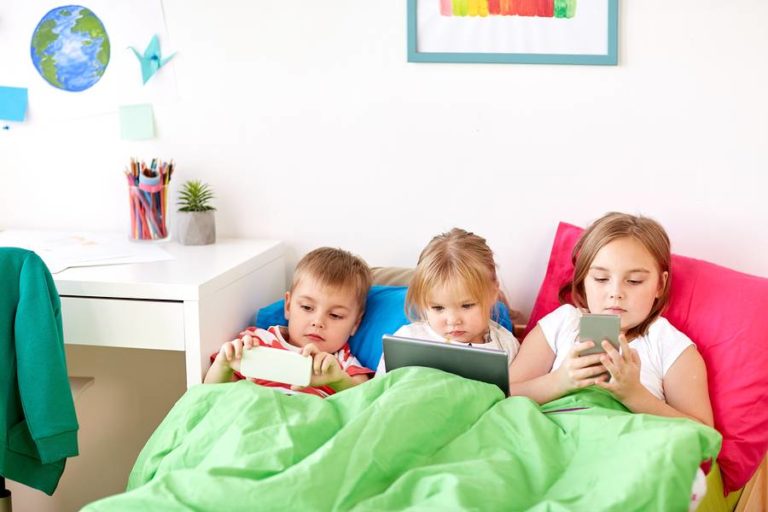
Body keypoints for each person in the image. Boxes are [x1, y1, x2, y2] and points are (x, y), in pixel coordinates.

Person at [508, 212, 713, 426]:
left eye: (634, 281)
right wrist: (559, 381)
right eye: (601, 278)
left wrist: (634, 396)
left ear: (659, 285)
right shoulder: (562, 323)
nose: (616, 293)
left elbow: (703, 433)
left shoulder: (669, 345)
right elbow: (502, 393)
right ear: (583, 279)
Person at [204, 247, 374, 397]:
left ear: (355, 324)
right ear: (288, 305)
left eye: (336, 315)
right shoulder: (256, 341)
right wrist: (224, 364)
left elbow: (366, 401)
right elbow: (209, 396)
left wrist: (338, 381)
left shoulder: (343, 362)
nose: (318, 322)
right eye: (307, 307)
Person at [391, 228, 519, 365]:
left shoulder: (506, 346)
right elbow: (382, 384)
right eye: (438, 307)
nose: (453, 321)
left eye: (467, 305)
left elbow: (515, 385)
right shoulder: (407, 341)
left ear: (493, 293)